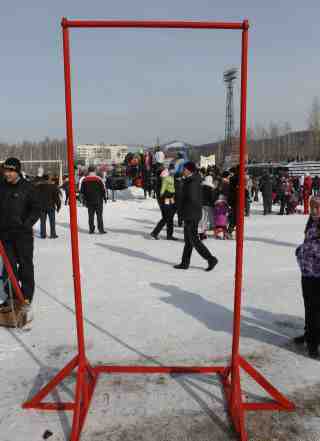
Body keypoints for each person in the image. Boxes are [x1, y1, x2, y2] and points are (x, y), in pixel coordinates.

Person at [0, 157, 41, 316]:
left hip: (22, 234)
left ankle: (26, 297)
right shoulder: (1, 187)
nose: (8, 174)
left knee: (25, 265)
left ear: (17, 171)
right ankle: (11, 297)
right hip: (5, 234)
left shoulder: (28, 187)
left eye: (11, 171)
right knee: (8, 267)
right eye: (6, 170)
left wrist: (26, 224)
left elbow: (36, 208)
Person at [174, 162, 218, 271]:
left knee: (194, 240)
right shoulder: (191, 180)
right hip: (190, 213)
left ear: (189, 170)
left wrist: (183, 206)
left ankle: (210, 259)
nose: (183, 171)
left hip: (191, 214)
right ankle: (185, 263)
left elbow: (193, 199)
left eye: (184, 169)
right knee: (189, 241)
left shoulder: (192, 182)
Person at [295, 196, 320, 359]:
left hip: (318, 273)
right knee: (309, 306)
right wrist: (300, 252)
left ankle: (313, 342)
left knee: (316, 309)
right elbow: (306, 242)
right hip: (307, 273)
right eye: (312, 208)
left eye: (317, 208)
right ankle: (309, 334)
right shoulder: (311, 221)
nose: (314, 211)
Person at [151, 166, 178, 241]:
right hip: (165, 201)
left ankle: (169, 235)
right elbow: (162, 193)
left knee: (169, 217)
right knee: (167, 217)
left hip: (165, 201)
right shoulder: (162, 180)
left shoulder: (161, 179)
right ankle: (155, 233)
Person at [80, 166, 107, 234]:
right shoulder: (98, 179)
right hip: (98, 200)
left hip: (89, 201)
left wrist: (83, 200)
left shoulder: (84, 180)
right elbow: (103, 189)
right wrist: (104, 197)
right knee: (99, 216)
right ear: (94, 171)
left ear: (88, 171)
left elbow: (82, 191)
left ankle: (91, 229)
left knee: (91, 216)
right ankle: (101, 229)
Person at [198, 175, 216, 241]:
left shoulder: (201, 188)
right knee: (205, 220)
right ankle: (202, 233)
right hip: (208, 206)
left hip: (201, 205)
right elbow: (211, 198)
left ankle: (201, 232)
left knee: (201, 219)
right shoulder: (210, 190)